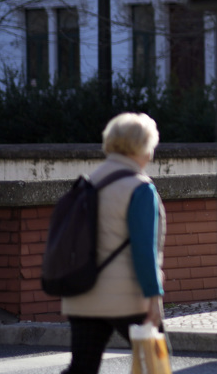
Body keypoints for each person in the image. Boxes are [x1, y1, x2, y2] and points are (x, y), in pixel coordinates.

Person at [60, 112, 166, 374]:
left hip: (83, 291)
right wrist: (153, 297)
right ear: (141, 148)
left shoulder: (87, 183)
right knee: (154, 364)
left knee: (82, 368)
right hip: (126, 297)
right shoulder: (139, 188)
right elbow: (144, 250)